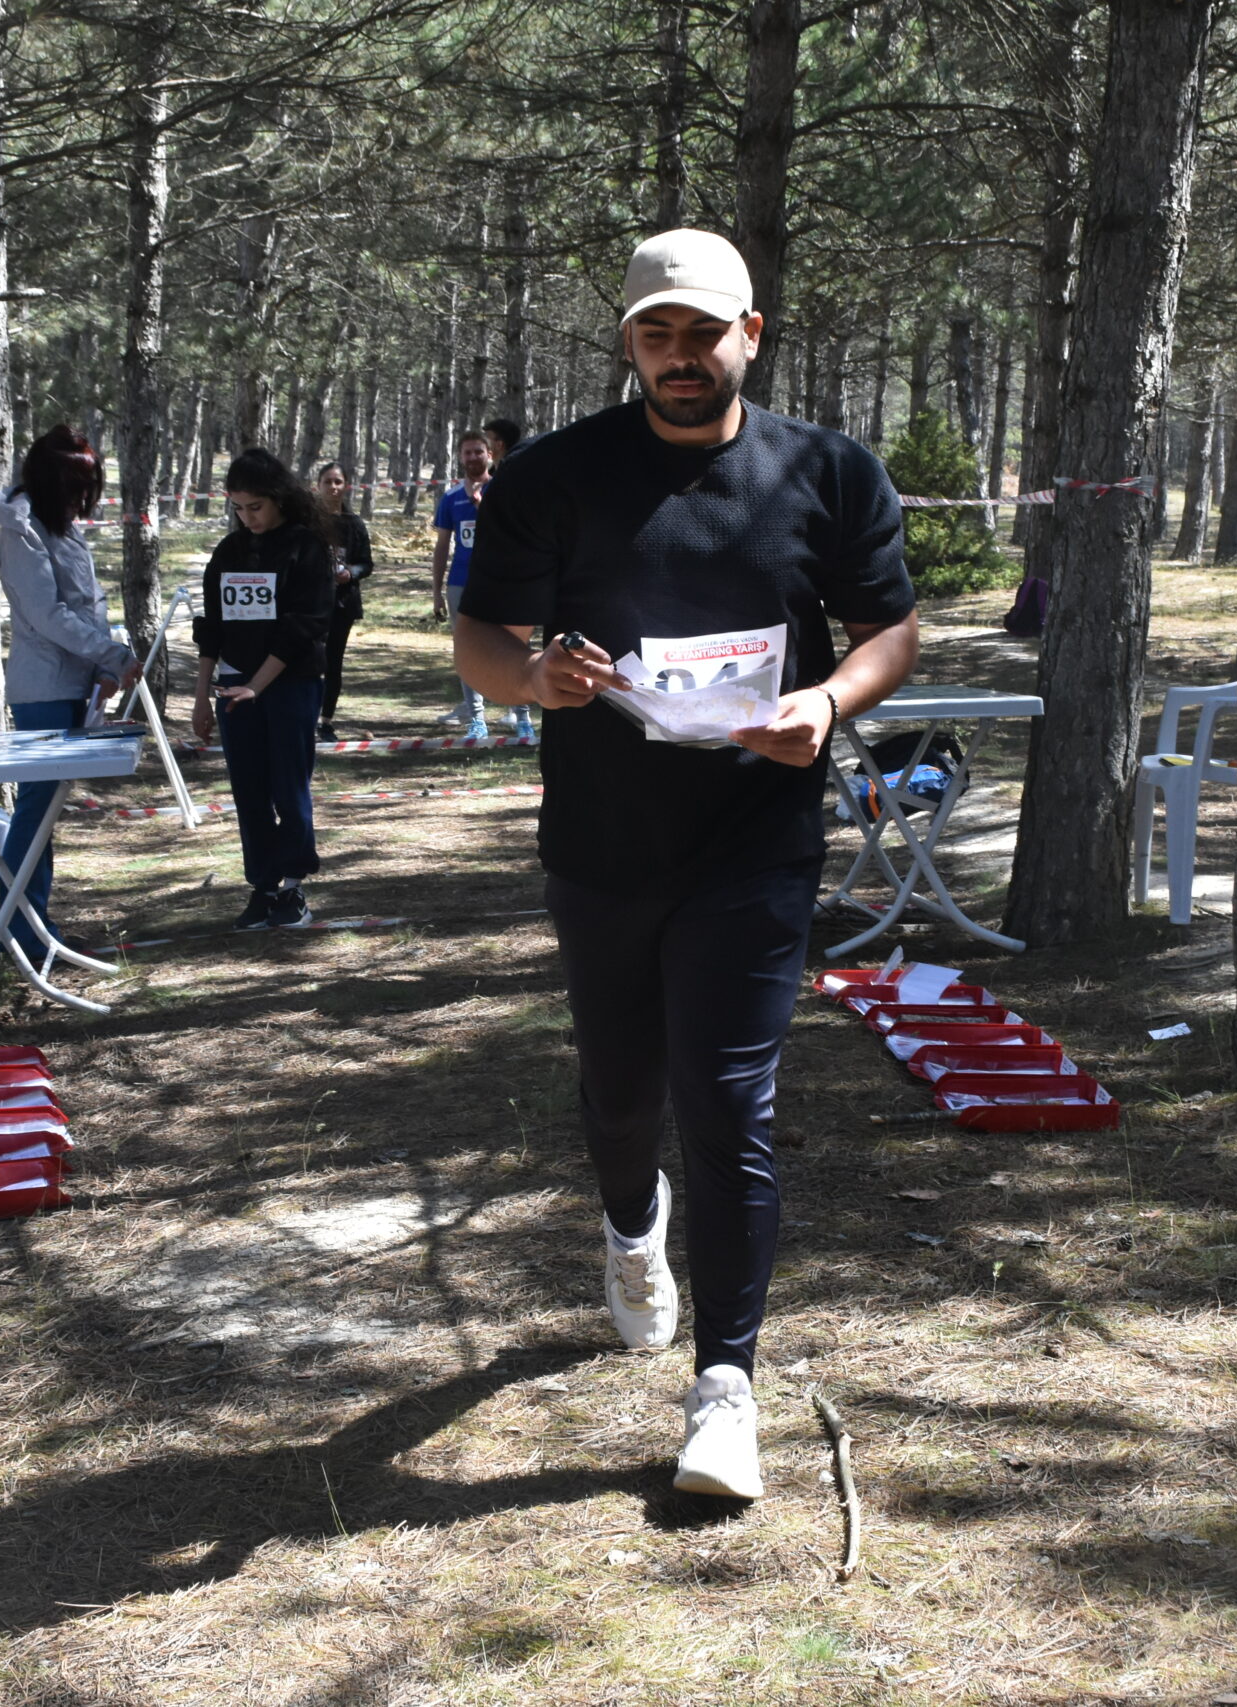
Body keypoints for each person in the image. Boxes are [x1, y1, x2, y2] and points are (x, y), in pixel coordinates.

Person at [454, 229, 919, 1501]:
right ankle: (628, 1227)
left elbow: (890, 633)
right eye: (656, 334)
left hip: (754, 842)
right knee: (619, 1097)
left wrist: (825, 706)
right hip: (603, 843)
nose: (680, 357)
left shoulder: (826, 472)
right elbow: (480, 637)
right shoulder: (554, 476)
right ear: (628, 343)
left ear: (748, 338)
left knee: (727, 1101)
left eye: (704, 334)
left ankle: (726, 1390)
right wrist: (532, 679)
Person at [0, 425, 142, 963]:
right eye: (76, 487)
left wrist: (103, 663)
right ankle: (19, 932)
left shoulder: (57, 526)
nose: (83, 499)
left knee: (45, 814)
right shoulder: (23, 531)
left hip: (72, 684)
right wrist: (112, 655)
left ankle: (34, 925)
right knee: (35, 811)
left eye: (89, 487)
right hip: (43, 691)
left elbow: (84, 607)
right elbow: (48, 615)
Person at [193, 447, 338, 929]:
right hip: (236, 687)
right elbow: (211, 626)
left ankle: (294, 887)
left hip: (289, 684)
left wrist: (258, 685)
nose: (246, 517)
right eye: (237, 507)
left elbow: (304, 627)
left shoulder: (306, 546)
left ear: (278, 498)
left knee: (287, 787)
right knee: (248, 790)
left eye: (254, 507)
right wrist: (200, 697)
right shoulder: (229, 551)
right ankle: (262, 887)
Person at [428, 430, 491, 737]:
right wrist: (436, 592)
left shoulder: (504, 492)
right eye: (467, 453)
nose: (472, 458)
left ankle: (520, 715)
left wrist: (484, 509)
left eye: (478, 451)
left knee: (507, 647)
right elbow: (442, 547)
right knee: (467, 651)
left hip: (500, 583)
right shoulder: (451, 498)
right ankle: (476, 717)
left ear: (489, 454)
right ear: (460, 457)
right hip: (460, 584)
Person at [478, 419, 536, 744]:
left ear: (498, 445)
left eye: (488, 442)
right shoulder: (504, 473)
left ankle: (523, 716)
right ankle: (515, 709)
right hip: (509, 570)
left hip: (518, 573)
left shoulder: (513, 471)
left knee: (516, 646)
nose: (486, 450)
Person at [316, 461, 376, 742]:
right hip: (312, 603)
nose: (333, 487)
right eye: (328, 481)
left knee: (333, 662)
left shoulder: (354, 523)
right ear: (318, 485)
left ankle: (326, 721)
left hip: (343, 603)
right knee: (308, 661)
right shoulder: (308, 522)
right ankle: (305, 716)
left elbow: (367, 563)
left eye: (338, 482)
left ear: (346, 486)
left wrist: (350, 573)